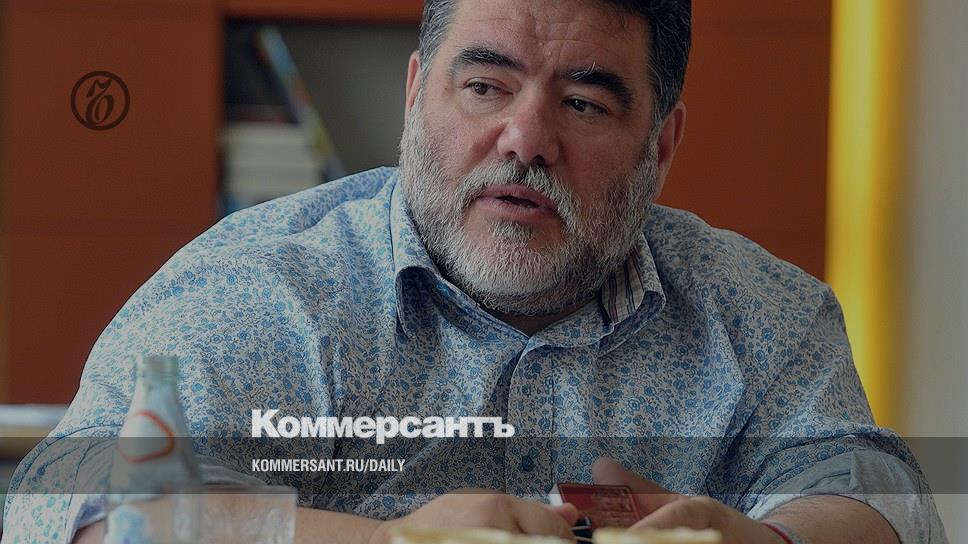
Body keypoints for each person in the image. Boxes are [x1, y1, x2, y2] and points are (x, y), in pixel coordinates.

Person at [1, 1, 947, 543]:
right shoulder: (263, 288)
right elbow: (74, 500)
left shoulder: (764, 313)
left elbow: (879, 493)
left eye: (583, 103)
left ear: (661, 145)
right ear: (419, 94)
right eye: (485, 86)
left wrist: (768, 542)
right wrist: (391, 543)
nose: (525, 139)